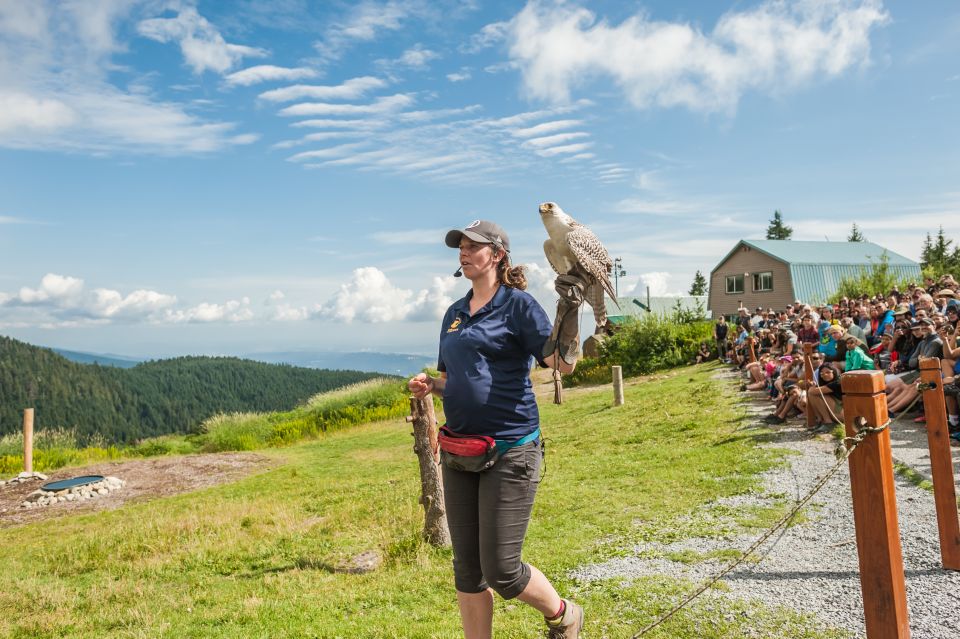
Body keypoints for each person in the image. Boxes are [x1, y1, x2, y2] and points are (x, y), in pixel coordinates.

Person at [408, 220, 584, 639]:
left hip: (511, 449)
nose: (464, 253)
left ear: (498, 255)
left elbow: (561, 365)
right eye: (461, 247)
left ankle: (564, 614)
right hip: (460, 450)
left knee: (503, 571)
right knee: (468, 570)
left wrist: (572, 313)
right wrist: (431, 385)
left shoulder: (519, 305)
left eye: (474, 247)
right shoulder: (454, 313)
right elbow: (456, 377)